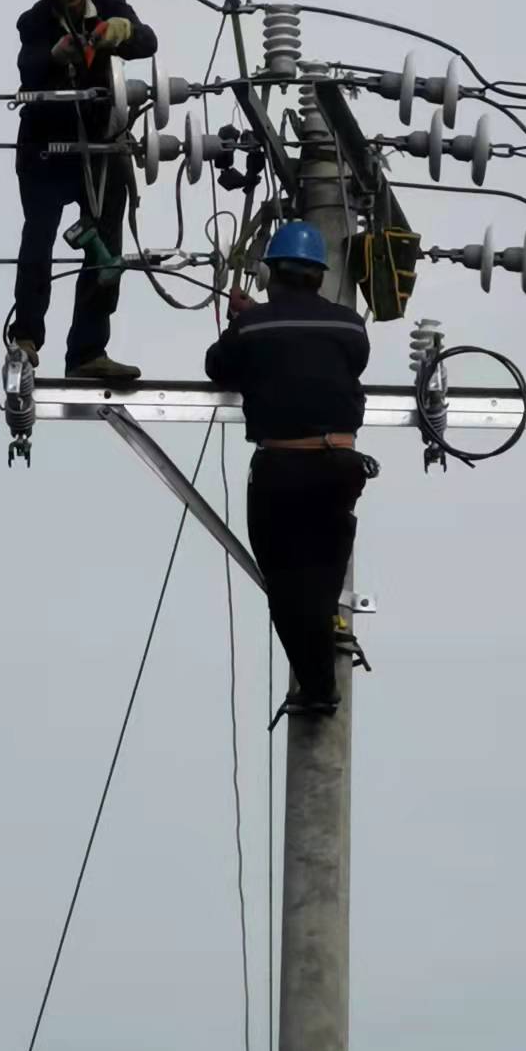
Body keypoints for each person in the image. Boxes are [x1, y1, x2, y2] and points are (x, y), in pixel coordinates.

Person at [204, 221, 376, 718]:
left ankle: (318, 688)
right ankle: (321, 666)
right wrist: (260, 320)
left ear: (270, 275)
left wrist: (243, 321)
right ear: (319, 276)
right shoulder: (350, 326)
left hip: (282, 467)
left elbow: (218, 367)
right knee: (321, 582)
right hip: (341, 468)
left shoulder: (253, 328)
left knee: (286, 588)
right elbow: (327, 357)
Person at [10, 0, 158, 381]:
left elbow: (147, 42)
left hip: (99, 150)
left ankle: (88, 352)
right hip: (46, 152)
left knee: (106, 249)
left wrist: (122, 32)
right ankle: (26, 338)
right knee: (39, 239)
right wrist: (57, 55)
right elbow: (29, 67)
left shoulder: (110, 4)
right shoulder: (35, 22)